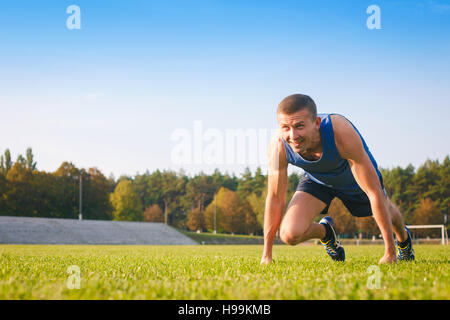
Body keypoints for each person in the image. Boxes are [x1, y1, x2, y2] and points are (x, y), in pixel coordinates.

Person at [261, 94, 415, 264]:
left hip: (352, 179)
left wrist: (389, 253)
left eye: (299, 126)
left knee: (386, 209)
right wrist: (266, 255)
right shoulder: (277, 147)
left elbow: (374, 192)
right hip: (317, 181)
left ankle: (404, 239)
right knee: (289, 234)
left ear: (317, 123)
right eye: (285, 127)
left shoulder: (340, 133)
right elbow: (275, 198)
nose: (293, 135)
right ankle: (326, 232)